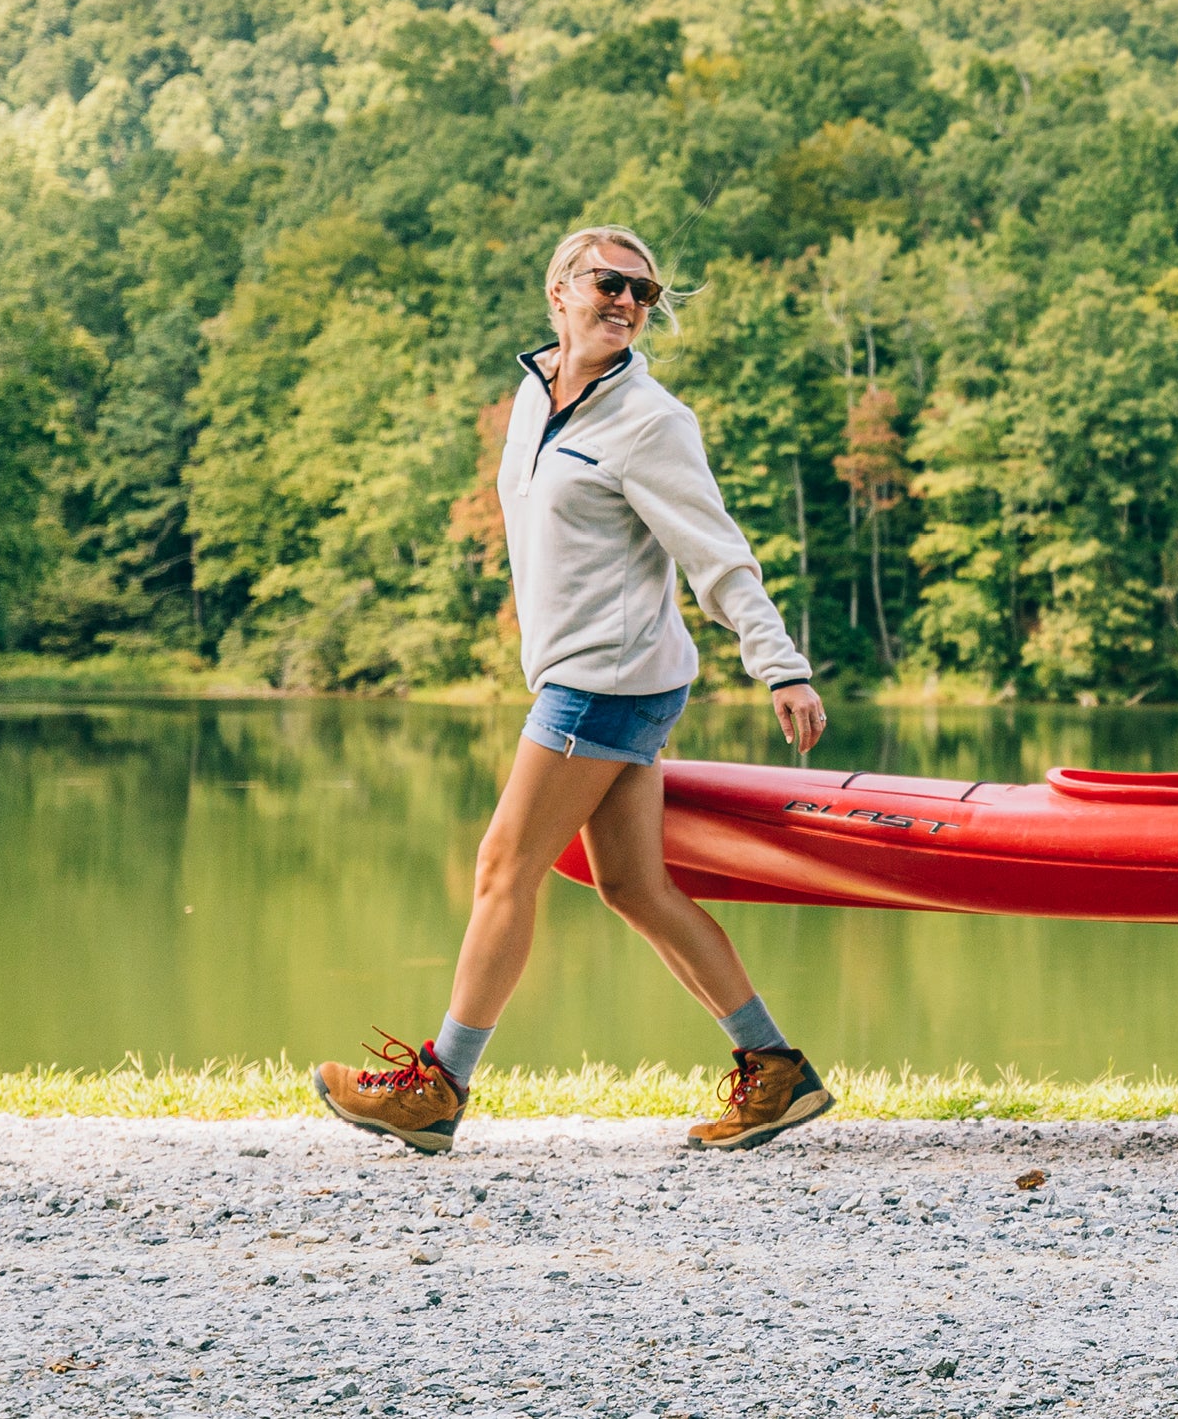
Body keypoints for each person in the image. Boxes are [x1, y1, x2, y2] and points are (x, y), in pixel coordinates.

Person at [312, 224, 836, 1156]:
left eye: (644, 290)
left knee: (502, 866)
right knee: (633, 885)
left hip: (605, 682)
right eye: (610, 282)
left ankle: (440, 1084)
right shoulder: (533, 392)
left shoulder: (651, 421)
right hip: (600, 674)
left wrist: (780, 663)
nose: (628, 301)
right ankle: (776, 1068)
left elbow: (714, 554)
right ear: (560, 289)